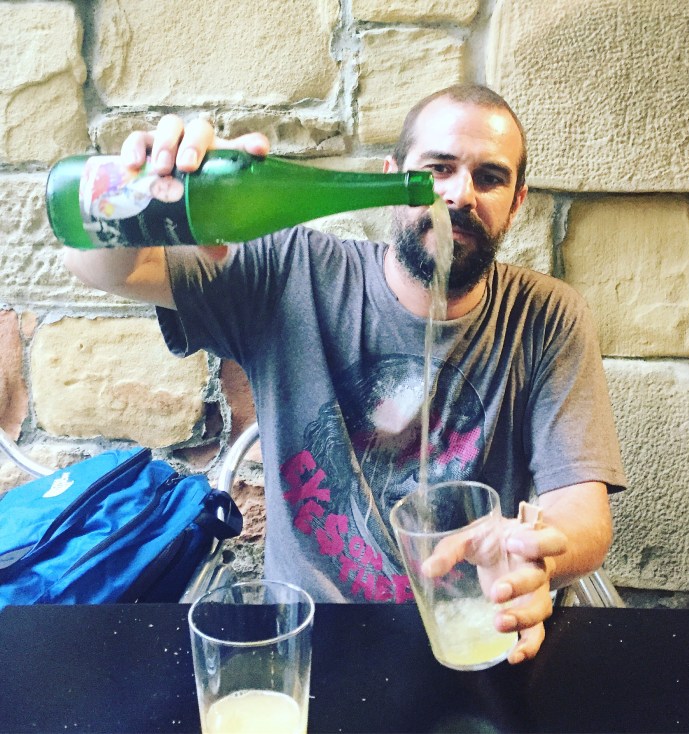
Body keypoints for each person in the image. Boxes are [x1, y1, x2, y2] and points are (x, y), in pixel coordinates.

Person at [64, 84, 626, 664]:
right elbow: (103, 268)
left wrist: (532, 553)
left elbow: (583, 515)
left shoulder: (546, 316)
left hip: (473, 633)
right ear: (392, 176)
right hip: (312, 645)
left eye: (489, 178)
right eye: (437, 168)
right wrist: (138, 188)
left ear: (517, 201)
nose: (459, 194)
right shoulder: (290, 271)